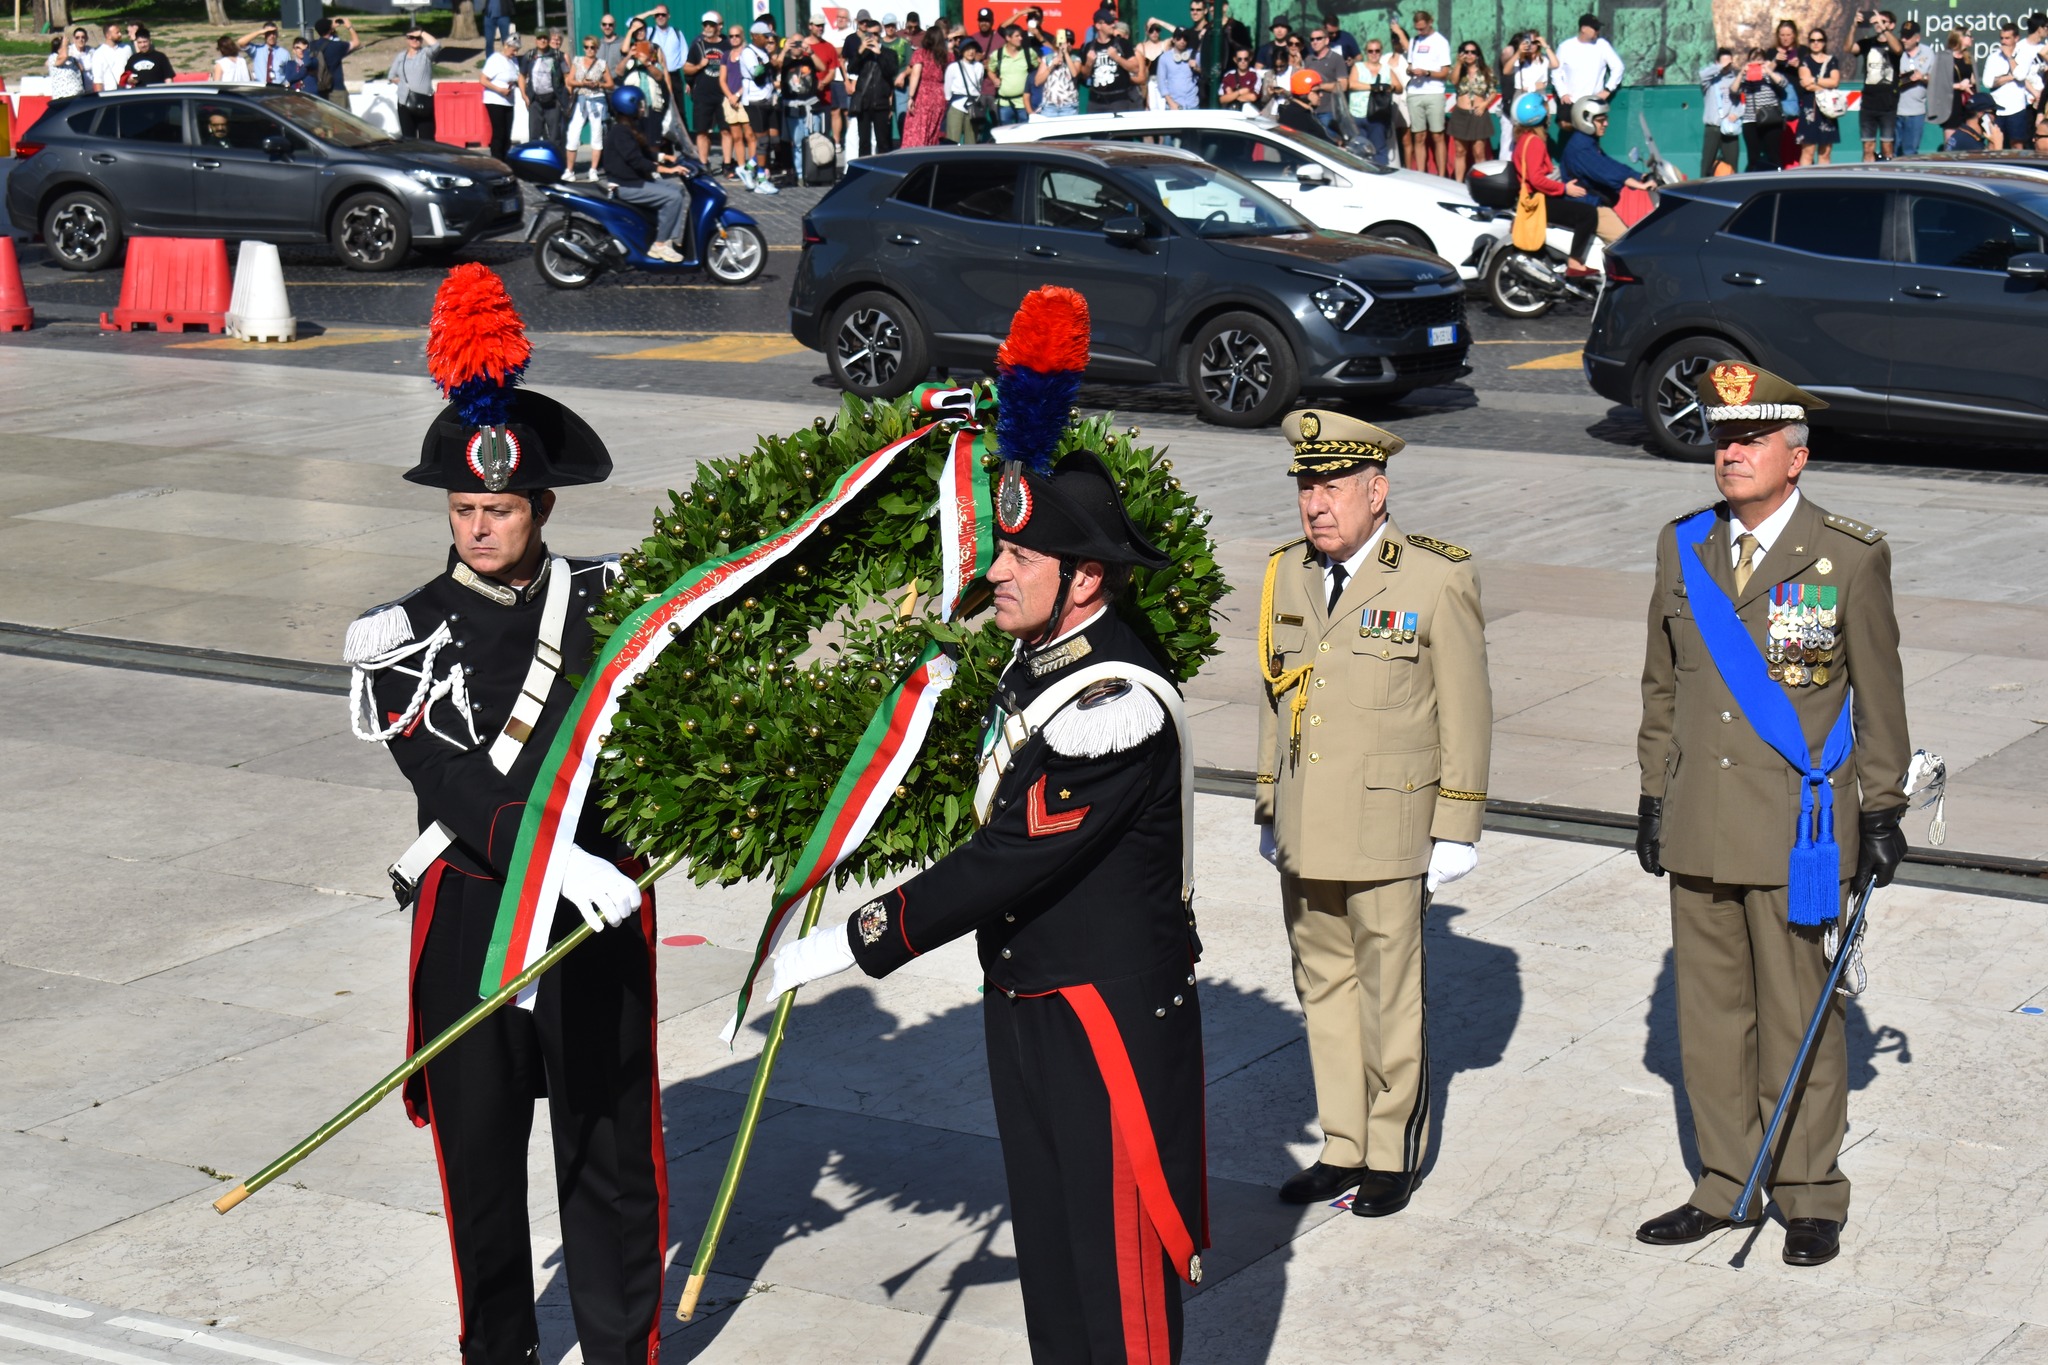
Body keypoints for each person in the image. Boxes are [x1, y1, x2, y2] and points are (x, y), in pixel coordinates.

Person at [764, 446, 1206, 1365]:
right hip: (1030, 998)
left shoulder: (1113, 701)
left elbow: (1012, 854)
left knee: (1115, 1263)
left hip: (1102, 1019)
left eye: (1020, 557)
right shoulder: (1038, 662)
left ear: (1085, 578)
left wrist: (863, 935)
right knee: (1052, 1250)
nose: (994, 570)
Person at [345, 265, 667, 1365]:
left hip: (590, 923)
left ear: (542, 510)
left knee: (607, 1155)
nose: (480, 529)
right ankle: (501, 1351)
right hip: (479, 916)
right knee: (480, 1170)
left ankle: (622, 1349)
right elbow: (446, 783)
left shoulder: (611, 604)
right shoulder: (397, 639)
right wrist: (546, 856)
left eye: (501, 510)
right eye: (464, 510)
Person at [1633, 361, 1909, 1271]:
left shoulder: (1848, 556)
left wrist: (1882, 806)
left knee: (1799, 1013)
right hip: (1701, 819)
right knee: (1709, 1018)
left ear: (1797, 455)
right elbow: (1661, 688)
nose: (1730, 453)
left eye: (1749, 439)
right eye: (1721, 437)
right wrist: (1651, 794)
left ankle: (1809, 1193)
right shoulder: (1685, 547)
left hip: (1800, 830)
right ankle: (1727, 1184)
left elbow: (1879, 696)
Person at [1256, 408, 1491, 1218]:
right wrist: (1266, 801)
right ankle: (1343, 1143)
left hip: (1390, 827)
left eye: (1331, 489)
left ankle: (1391, 1151)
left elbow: (1466, 709)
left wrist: (1456, 824)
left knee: (1392, 992)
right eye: (1306, 489)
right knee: (1322, 982)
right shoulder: (1286, 571)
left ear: (1377, 490)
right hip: (1306, 823)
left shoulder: (1435, 576)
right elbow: (1276, 697)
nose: (1315, 505)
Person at [1509, 91, 1596, 272]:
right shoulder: (1535, 142)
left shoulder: (1524, 139)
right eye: (1546, 111)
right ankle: (1575, 261)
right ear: (1537, 115)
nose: (1549, 115)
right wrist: (1564, 189)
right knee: (1588, 214)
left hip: (1538, 197)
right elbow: (1536, 178)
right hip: (1539, 200)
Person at [603, 87, 690, 259]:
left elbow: (643, 153)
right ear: (629, 106)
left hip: (634, 181)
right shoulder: (620, 131)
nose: (643, 109)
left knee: (678, 191)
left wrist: (667, 157)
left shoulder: (629, 128)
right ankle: (659, 245)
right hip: (625, 185)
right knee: (673, 198)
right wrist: (668, 169)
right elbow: (637, 161)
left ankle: (666, 239)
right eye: (640, 105)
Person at [1559, 99, 1652, 243]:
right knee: (1625, 244)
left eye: (1605, 119)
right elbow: (1606, 172)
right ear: (1586, 121)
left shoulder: (1587, 141)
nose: (1606, 124)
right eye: (1601, 120)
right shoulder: (1581, 147)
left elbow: (1608, 163)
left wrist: (1639, 175)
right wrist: (1640, 185)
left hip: (1592, 201)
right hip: (1588, 204)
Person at [1551, 11, 1623, 147]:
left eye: (1598, 28)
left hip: (1592, 101)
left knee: (1591, 135)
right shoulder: (1566, 47)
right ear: (1583, 29)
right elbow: (1556, 73)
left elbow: (1618, 67)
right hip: (1571, 100)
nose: (1597, 31)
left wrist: (1607, 90)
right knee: (1566, 127)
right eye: (1594, 28)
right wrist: (1563, 93)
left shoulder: (1602, 45)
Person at [1392, 11, 1450, 176]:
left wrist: (1426, 73)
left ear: (1431, 22)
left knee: (1438, 135)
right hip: (1415, 92)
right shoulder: (1415, 40)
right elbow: (1410, 65)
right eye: (1417, 29)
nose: (1420, 32)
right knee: (1418, 136)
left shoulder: (1441, 42)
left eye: (1423, 29)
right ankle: (1421, 175)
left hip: (1434, 92)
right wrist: (1411, 71)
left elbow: (1445, 72)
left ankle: (1441, 175)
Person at [1852, 8, 1901, 160]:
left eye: (1883, 21)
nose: (1878, 24)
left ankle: (1887, 180)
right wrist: (1853, 26)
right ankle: (1867, 179)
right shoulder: (1868, 43)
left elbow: (1898, 50)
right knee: (1868, 147)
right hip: (1868, 104)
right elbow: (1848, 48)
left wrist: (1884, 29)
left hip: (1888, 105)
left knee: (1887, 148)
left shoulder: (1894, 43)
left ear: (1892, 25)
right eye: (1877, 21)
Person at [1984, 23, 2039, 151]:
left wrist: (2009, 58)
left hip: (2016, 109)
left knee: (2017, 144)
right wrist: (2010, 76)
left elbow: (2020, 76)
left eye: (2007, 38)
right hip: (1996, 109)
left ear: (2016, 38)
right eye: (2002, 38)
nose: (2004, 42)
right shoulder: (1993, 58)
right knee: (1994, 143)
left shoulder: (2024, 55)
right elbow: (1988, 82)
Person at [741, 21, 782, 189]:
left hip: (768, 99)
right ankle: (761, 179)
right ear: (755, 36)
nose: (768, 40)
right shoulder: (748, 53)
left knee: (774, 139)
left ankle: (748, 167)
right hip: (755, 100)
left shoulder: (764, 51)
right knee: (763, 141)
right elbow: (756, 73)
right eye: (765, 37)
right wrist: (768, 64)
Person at [1736, 47, 1791, 172]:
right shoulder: (1746, 77)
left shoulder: (1769, 75)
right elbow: (1733, 90)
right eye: (1753, 60)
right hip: (1751, 120)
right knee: (1753, 157)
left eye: (1759, 59)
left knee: (1774, 155)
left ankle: (1777, 182)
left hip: (1771, 119)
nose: (1757, 62)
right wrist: (1741, 73)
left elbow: (1783, 83)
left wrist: (1768, 70)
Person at [1347, 37, 1401, 164]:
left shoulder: (1386, 69)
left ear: (1381, 52)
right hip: (1358, 114)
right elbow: (1352, 84)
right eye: (1370, 51)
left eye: (1377, 51)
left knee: (1379, 149)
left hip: (1378, 114)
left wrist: (1389, 87)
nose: (1374, 54)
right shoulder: (1358, 67)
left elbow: (1399, 88)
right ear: (1366, 52)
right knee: (1358, 151)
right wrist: (1373, 87)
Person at [1500, 29, 1556, 149]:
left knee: (1540, 130)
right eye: (1528, 42)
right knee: (1520, 132)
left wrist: (1546, 46)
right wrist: (1519, 52)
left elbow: (1555, 64)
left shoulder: (1543, 60)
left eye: (1534, 42)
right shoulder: (1520, 60)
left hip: (1538, 96)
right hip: (1521, 95)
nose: (1531, 45)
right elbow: (1506, 71)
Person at [1446, 41, 1495, 179]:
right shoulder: (1457, 70)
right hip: (1461, 114)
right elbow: (1454, 81)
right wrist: (1459, 63)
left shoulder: (1486, 71)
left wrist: (1485, 104)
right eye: (1466, 52)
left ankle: (1481, 183)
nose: (1469, 55)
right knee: (1460, 151)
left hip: (1478, 114)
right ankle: (1458, 183)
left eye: (1473, 52)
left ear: (1478, 55)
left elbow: (1492, 92)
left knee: (1479, 152)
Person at [1794, 28, 1841, 166]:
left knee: (1825, 152)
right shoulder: (1805, 61)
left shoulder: (1832, 60)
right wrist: (1827, 85)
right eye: (1813, 40)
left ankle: (1824, 184)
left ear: (1824, 42)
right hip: (1810, 109)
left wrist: (1814, 80)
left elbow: (1835, 82)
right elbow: (1806, 86)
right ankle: (1804, 185)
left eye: (1819, 40)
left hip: (1828, 110)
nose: (1816, 43)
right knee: (1808, 151)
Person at [566, 35, 611, 179]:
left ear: (597, 48)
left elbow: (611, 84)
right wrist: (582, 83)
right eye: (586, 47)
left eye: (592, 47)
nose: (589, 50)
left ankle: (593, 169)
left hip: (597, 99)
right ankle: (569, 170)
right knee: (573, 132)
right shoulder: (577, 61)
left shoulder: (602, 63)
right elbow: (570, 81)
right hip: (581, 99)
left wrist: (599, 84)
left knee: (596, 134)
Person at [685, 14, 726, 167]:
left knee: (726, 131)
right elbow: (687, 68)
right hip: (703, 94)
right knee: (702, 130)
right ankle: (703, 163)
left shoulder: (727, 44)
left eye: (711, 25)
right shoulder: (698, 44)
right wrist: (699, 67)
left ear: (718, 26)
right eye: (705, 25)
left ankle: (727, 163)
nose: (708, 28)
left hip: (723, 94)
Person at [388, 28, 440, 142]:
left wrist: (422, 32)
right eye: (411, 38)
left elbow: (436, 45)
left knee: (427, 138)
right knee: (408, 138)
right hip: (404, 101)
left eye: (418, 38)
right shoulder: (401, 56)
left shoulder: (425, 54)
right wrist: (402, 83)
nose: (415, 40)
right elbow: (391, 75)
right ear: (407, 39)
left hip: (423, 101)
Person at [521, 31, 570, 152]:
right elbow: (521, 75)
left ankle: (556, 164)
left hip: (553, 101)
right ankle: (536, 165)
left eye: (545, 38)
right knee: (534, 135)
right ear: (535, 40)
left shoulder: (557, 56)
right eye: (540, 38)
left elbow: (567, 76)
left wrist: (566, 96)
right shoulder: (529, 55)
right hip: (535, 101)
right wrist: (524, 95)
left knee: (555, 136)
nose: (542, 40)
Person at [902, 24, 950, 143]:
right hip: (939, 95)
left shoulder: (920, 53)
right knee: (933, 130)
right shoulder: (945, 56)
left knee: (917, 129)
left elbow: (915, 74)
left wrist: (911, 97)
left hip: (923, 94)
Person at [1084, 17, 1143, 112]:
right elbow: (1083, 75)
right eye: (1108, 23)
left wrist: (1117, 57)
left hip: (1119, 99)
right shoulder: (1090, 47)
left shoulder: (1123, 44)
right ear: (1098, 25)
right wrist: (1088, 63)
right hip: (1097, 100)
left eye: (1113, 23)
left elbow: (1136, 69)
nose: (1112, 25)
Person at [1303, 25, 1350, 140]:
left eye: (1318, 38)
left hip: (1329, 111)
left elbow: (1343, 85)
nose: (1315, 42)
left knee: (1330, 144)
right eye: (1312, 39)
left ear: (1327, 40)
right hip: (1311, 111)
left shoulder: (1336, 59)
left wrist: (1320, 87)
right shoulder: (1308, 60)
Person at [481, 36, 523, 163]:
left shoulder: (514, 60)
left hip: (508, 100)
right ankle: (497, 160)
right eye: (513, 50)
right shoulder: (495, 59)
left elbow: (517, 77)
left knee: (507, 133)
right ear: (506, 46)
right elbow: (483, 80)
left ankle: (505, 159)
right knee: (499, 132)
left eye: (517, 50)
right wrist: (499, 90)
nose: (515, 53)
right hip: (495, 100)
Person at [1894, 21, 1933, 156]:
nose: (1904, 39)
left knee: (1910, 152)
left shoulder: (1927, 52)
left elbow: (1936, 80)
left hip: (1916, 111)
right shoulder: (1897, 52)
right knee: (1893, 152)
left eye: (1908, 36)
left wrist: (1922, 77)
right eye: (1903, 36)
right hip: (1895, 110)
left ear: (1917, 37)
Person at [988, 22, 1038, 124]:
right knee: (1005, 135)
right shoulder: (997, 54)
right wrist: (994, 79)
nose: (1020, 38)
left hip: (1024, 103)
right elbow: (990, 70)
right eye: (1017, 36)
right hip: (1004, 104)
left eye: (1021, 36)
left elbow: (1039, 67)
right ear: (1008, 38)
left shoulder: (1029, 53)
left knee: (1024, 135)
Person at [306, 16, 360, 105]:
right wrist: (349, 27)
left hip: (319, 87)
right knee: (341, 117)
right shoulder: (337, 46)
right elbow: (357, 43)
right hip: (336, 89)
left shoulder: (312, 45)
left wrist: (331, 28)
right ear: (330, 30)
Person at [945, 37, 987, 143]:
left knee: (971, 140)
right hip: (956, 106)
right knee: (952, 140)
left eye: (973, 49)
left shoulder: (979, 67)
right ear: (962, 51)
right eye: (967, 49)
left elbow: (979, 85)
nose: (971, 52)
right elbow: (947, 88)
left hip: (973, 107)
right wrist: (950, 99)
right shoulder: (953, 67)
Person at [1038, 29, 1083, 118]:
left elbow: (1074, 74)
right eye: (1066, 41)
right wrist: (1051, 65)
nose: (1068, 44)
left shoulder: (1075, 59)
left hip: (1069, 107)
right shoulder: (1048, 59)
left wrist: (1065, 53)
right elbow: (1037, 81)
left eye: (1071, 42)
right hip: (1049, 106)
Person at [1158, 27, 1203, 112]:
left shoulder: (1195, 55)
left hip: (1192, 105)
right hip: (1173, 106)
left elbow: (1205, 74)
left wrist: (1197, 68)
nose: (1182, 41)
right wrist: (1171, 104)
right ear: (1174, 40)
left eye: (1185, 39)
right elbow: (1161, 83)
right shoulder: (1164, 58)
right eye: (1179, 38)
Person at [89, 23, 131, 93]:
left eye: (120, 32)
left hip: (128, 89)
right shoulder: (98, 53)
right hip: (110, 91)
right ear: (108, 36)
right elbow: (98, 79)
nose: (120, 34)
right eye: (117, 33)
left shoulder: (126, 48)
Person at [45, 35, 86, 100]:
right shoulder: (53, 58)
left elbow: (81, 69)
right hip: (64, 97)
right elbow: (63, 57)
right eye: (66, 46)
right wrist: (64, 44)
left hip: (77, 95)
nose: (68, 48)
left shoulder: (71, 58)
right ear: (59, 49)